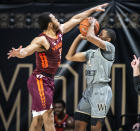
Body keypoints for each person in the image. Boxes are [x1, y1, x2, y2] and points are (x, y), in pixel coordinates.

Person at [7, 3, 108, 131]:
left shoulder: (59, 30)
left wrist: (93, 9)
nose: (57, 20)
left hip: (48, 80)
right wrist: (19, 53)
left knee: (37, 121)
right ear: (49, 24)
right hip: (40, 80)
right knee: (49, 115)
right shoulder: (41, 40)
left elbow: (76, 19)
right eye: (54, 18)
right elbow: (27, 51)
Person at [65, 17, 116, 131]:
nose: (98, 35)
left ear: (108, 39)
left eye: (101, 34)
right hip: (89, 90)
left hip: (101, 91)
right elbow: (70, 56)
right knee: (78, 126)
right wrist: (79, 37)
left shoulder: (110, 48)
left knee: (95, 129)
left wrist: (92, 24)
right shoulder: (91, 53)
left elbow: (90, 36)